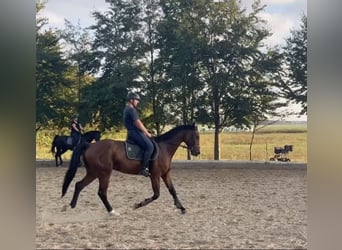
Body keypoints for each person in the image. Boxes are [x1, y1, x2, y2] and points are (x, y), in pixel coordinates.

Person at [123, 92, 153, 177]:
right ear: (131, 100)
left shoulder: (127, 108)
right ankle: (143, 169)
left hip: (132, 132)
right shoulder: (131, 109)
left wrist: (145, 130)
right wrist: (147, 133)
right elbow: (137, 123)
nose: (137, 102)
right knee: (150, 147)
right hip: (134, 133)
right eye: (136, 100)